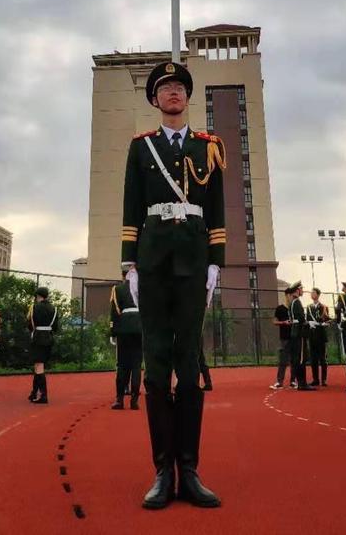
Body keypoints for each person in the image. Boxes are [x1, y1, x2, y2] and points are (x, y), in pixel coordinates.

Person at [122, 61, 226, 510]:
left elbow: (217, 207)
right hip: (154, 262)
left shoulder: (209, 147)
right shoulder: (141, 147)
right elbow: (130, 204)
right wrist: (129, 264)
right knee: (158, 368)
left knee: (189, 366)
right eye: (165, 88)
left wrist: (215, 263)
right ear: (155, 99)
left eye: (180, 87)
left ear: (187, 97)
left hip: (193, 260)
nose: (173, 93)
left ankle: (191, 468)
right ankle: (163, 470)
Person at [110, 269, 143, 410]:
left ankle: (120, 399)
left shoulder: (117, 289)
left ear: (123, 275)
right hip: (140, 327)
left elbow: (114, 311)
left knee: (122, 365)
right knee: (136, 365)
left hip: (123, 327)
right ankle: (134, 401)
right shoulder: (142, 287)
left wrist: (113, 332)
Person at [28, 286, 59, 403]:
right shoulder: (54, 309)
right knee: (39, 366)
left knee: (39, 366)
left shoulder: (34, 307)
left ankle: (43, 395)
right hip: (49, 338)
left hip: (38, 337)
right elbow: (55, 327)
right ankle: (34, 392)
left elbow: (30, 325)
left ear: (38, 296)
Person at [288, 281, 315, 391]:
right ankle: (302, 383)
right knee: (301, 358)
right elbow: (301, 319)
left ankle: (301, 382)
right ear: (297, 290)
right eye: (301, 289)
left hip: (294, 331)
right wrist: (309, 323)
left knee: (297, 358)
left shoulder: (292, 302)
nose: (302, 291)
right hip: (299, 332)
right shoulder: (297, 302)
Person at [270, 288, 293, 389]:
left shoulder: (294, 308)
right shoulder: (280, 308)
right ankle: (280, 382)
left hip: (294, 337)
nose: (293, 298)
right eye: (292, 296)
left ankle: (293, 381)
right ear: (287, 295)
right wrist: (283, 322)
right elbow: (274, 321)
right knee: (283, 360)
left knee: (294, 360)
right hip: (284, 338)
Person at [306, 288, 329, 387]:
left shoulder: (324, 307)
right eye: (311, 293)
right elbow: (307, 320)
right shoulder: (308, 307)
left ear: (318, 295)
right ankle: (315, 379)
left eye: (314, 293)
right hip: (312, 334)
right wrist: (310, 323)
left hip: (320, 334)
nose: (312, 294)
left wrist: (324, 323)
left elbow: (327, 321)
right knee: (313, 359)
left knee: (322, 358)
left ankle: (323, 379)